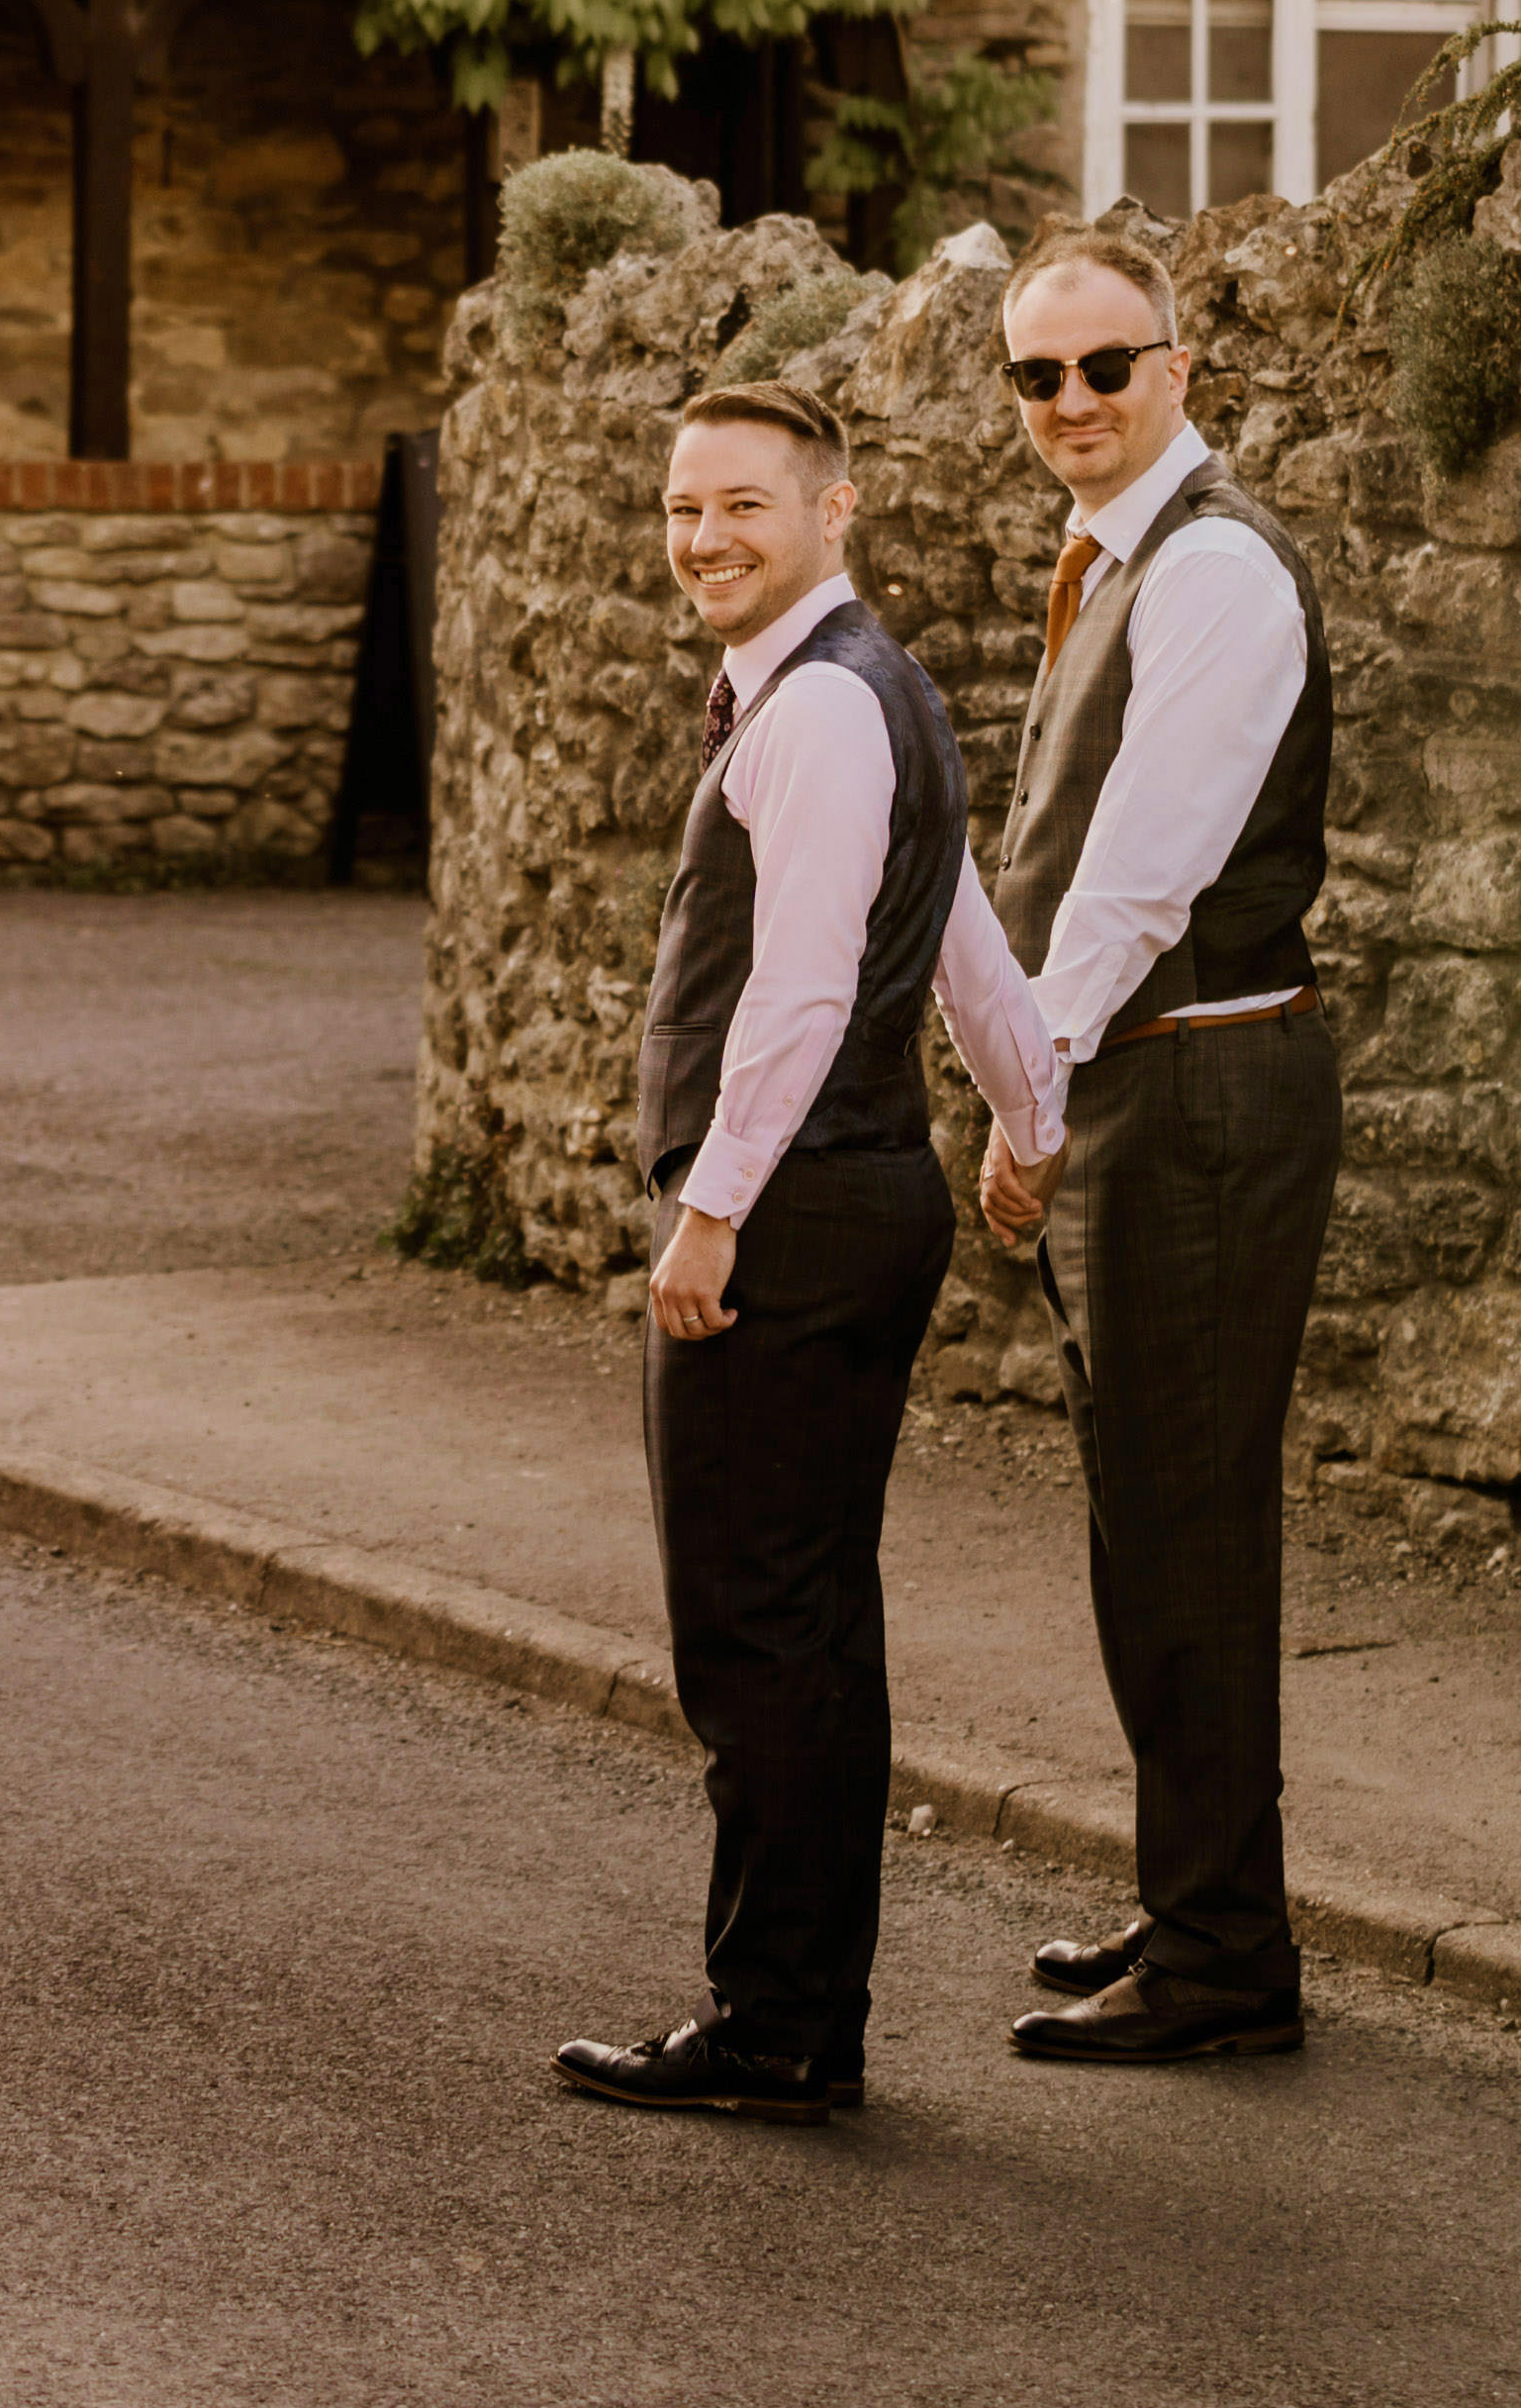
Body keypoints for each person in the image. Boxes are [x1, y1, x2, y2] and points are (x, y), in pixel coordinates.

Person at [555, 383, 1067, 2129]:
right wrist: (1031, 1114)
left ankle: (772, 2021)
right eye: (682, 507)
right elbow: (961, 937)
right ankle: (799, 2014)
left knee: (753, 1625)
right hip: (858, 1196)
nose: (703, 536)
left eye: (741, 506)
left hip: (791, 1211)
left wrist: (709, 1208)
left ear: (834, 509)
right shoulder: (871, 690)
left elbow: (802, 986)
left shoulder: (823, 709)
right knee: (811, 1617)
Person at [976, 230, 1339, 2071]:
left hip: (1195, 1092)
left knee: (1185, 1525)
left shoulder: (1210, 572)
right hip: (1140, 1088)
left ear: (1178, 365)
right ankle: (1200, 1893)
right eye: (1035, 378)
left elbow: (1141, 866)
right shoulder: (1117, 555)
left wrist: (1025, 1085)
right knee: (1145, 1516)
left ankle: (1220, 1961)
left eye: (1103, 366)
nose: (1071, 405)